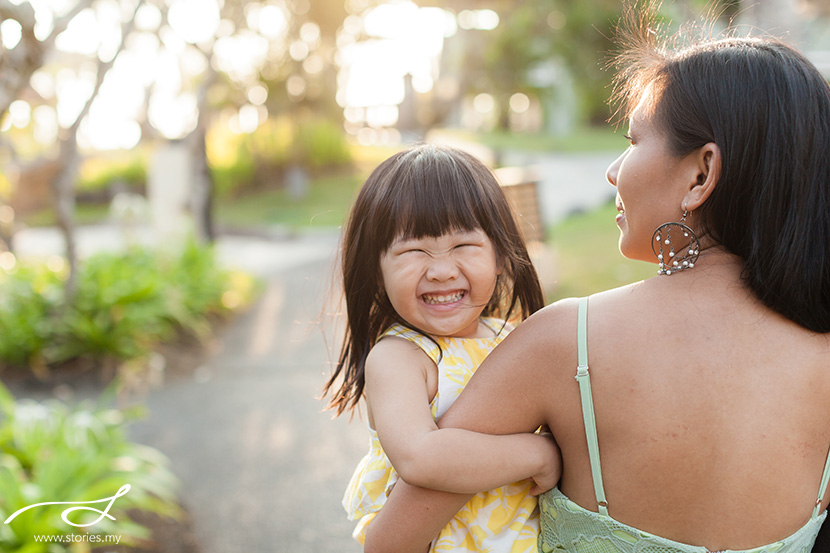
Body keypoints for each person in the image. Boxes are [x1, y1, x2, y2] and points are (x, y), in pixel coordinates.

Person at [361, 4, 830, 553]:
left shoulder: (568, 342)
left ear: (700, 174)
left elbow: (390, 542)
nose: (613, 171)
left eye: (632, 142)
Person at [323, 144, 561, 552]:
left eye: (463, 246)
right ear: (377, 272)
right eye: (414, 251)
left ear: (501, 255)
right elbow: (420, 457)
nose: (441, 270)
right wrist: (537, 454)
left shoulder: (514, 337)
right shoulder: (400, 358)